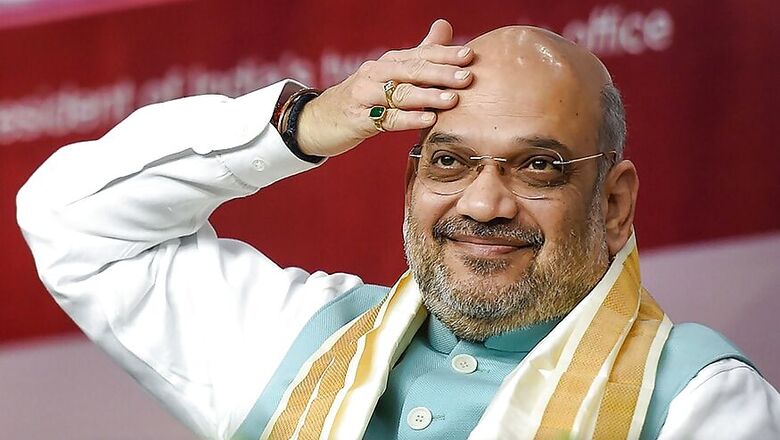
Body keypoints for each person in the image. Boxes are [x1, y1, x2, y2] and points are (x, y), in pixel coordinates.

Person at [17, 19, 779, 440]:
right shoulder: (303, 342)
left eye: (538, 168)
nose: (484, 203)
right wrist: (307, 122)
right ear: (413, 181)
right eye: (449, 161)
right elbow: (69, 218)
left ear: (612, 205)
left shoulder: (696, 402)